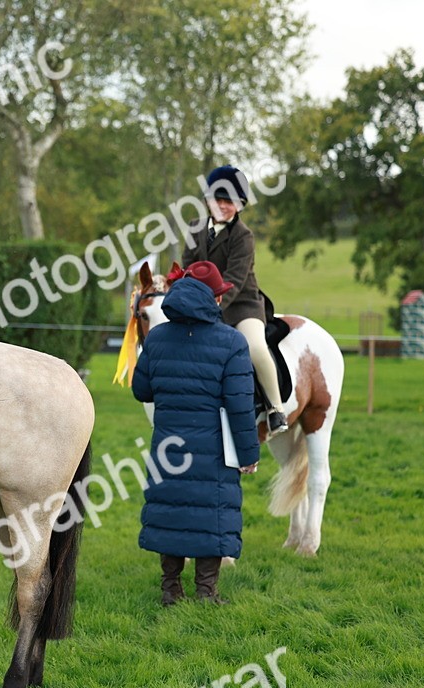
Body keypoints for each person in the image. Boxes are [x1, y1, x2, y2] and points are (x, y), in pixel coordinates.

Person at [132, 262, 260, 605]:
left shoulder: (157, 337)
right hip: (213, 446)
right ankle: (207, 591)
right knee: (211, 513)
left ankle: (170, 588)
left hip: (169, 443)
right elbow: (239, 406)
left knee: (171, 512)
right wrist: (248, 455)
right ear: (214, 299)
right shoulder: (232, 342)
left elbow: (141, 389)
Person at [181, 165, 288, 438]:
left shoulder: (243, 236)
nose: (222, 206)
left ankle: (275, 408)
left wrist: (209, 308)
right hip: (203, 305)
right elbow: (188, 268)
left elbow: (234, 279)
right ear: (207, 200)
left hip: (242, 304)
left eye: (229, 201)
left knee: (254, 346)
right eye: (217, 199)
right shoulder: (195, 228)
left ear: (240, 205)